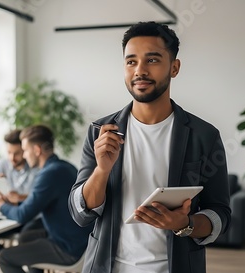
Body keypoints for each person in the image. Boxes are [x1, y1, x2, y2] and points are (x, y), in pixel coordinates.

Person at [68, 21, 231, 273]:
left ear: (174, 67)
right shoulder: (101, 132)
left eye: (152, 60)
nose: (139, 71)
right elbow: (80, 213)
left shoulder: (204, 136)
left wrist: (185, 223)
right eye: (131, 62)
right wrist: (101, 170)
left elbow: (221, 215)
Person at [0, 125, 94, 273]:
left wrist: (0, 205)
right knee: (26, 237)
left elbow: (23, 215)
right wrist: (15, 202)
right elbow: (40, 202)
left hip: (68, 248)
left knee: (4, 257)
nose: (24, 155)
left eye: (25, 150)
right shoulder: (64, 167)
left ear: (37, 150)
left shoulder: (49, 174)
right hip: (80, 241)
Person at [0, 129, 39, 204]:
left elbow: (39, 198)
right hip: (6, 209)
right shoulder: (3, 163)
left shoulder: (36, 167)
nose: (12, 158)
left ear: (24, 150)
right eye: (9, 152)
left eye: (17, 153)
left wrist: (20, 198)